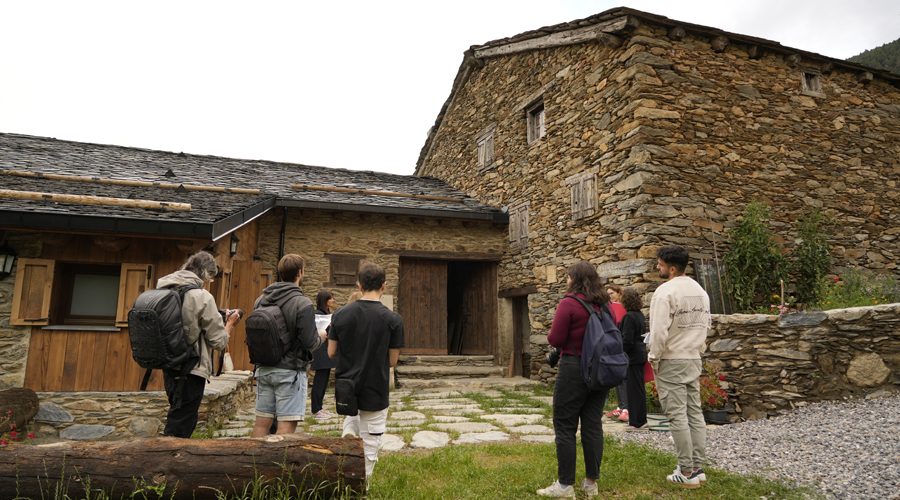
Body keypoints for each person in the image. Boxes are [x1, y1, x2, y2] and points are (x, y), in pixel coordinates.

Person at [539, 261, 613, 498]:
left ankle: (564, 486)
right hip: (601, 369)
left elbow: (555, 339)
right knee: (593, 425)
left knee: (565, 426)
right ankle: (591, 483)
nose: (567, 280)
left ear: (575, 279)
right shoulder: (605, 305)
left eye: (569, 276)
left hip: (574, 367)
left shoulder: (569, 303)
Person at [328, 263, 404, 483]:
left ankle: (350, 427)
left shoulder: (340, 313)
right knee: (371, 442)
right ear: (384, 286)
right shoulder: (393, 319)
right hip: (375, 386)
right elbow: (392, 361)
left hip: (347, 386)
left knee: (352, 412)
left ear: (359, 286)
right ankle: (363, 485)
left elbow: (331, 352)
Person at [156, 251, 240, 437]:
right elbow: (218, 342)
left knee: (179, 416)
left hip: (169, 365)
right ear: (206, 273)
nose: (208, 283)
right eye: (210, 278)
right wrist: (230, 325)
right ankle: (168, 454)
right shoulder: (201, 296)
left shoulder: (164, 289)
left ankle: (172, 452)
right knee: (181, 424)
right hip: (191, 368)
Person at [648, 245, 711, 488]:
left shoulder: (665, 291)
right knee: (694, 412)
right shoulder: (700, 291)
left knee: (677, 415)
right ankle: (697, 467)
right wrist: (697, 350)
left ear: (672, 268)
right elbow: (706, 325)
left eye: (660, 264)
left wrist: (654, 357)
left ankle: (686, 471)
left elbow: (658, 331)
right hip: (693, 357)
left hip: (671, 359)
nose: (657, 267)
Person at [251, 254, 326, 438]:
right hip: (290, 372)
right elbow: (308, 343)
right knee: (285, 427)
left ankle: (254, 456)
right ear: (300, 273)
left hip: (264, 369)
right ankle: (277, 458)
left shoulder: (261, 300)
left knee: (261, 423)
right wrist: (321, 337)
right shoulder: (302, 302)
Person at [619, 288, 648, 431]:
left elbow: (627, 340)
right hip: (641, 353)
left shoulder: (629, 317)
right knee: (639, 388)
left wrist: (619, 352)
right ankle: (640, 420)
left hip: (633, 357)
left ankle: (637, 422)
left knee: (633, 390)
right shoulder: (640, 315)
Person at [602, 284, 629, 423]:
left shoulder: (624, 309)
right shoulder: (609, 308)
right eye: (607, 294)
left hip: (624, 346)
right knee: (618, 377)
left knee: (624, 378)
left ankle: (626, 409)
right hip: (615, 347)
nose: (610, 296)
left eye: (612, 293)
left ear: (619, 293)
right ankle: (620, 406)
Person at [310, 290, 338, 420]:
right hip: (320, 351)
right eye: (330, 298)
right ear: (324, 300)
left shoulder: (326, 314)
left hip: (325, 350)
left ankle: (319, 407)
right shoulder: (318, 315)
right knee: (319, 380)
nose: (333, 300)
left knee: (324, 379)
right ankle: (316, 409)